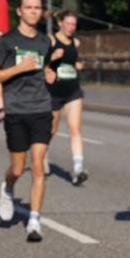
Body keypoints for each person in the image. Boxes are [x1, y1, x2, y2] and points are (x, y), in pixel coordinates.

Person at [0, 0, 56, 242]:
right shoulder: (6, 42)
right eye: (29, 7)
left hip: (41, 108)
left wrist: (50, 74)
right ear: (19, 11)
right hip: (16, 110)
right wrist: (17, 68)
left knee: (38, 166)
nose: (34, 12)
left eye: (37, 8)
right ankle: (8, 188)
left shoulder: (44, 41)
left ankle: (34, 221)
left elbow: (47, 69)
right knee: (17, 168)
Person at [47, 10, 88, 186]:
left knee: (75, 129)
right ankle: (42, 152)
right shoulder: (50, 40)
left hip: (73, 90)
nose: (71, 28)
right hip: (53, 92)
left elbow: (75, 61)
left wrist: (79, 65)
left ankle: (78, 169)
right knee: (52, 130)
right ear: (60, 23)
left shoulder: (75, 42)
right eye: (68, 24)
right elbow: (39, 62)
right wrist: (50, 59)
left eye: (74, 25)